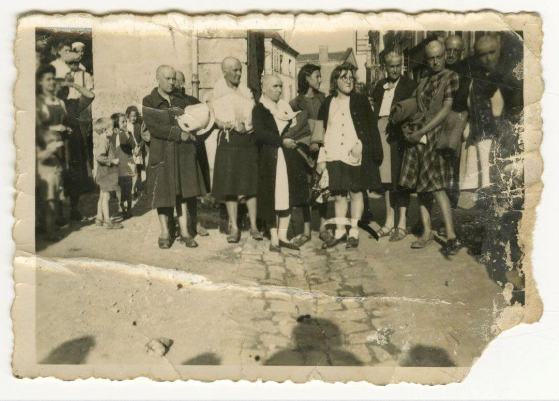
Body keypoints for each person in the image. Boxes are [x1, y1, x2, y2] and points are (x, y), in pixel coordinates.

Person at [398, 40, 460, 254]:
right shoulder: (423, 80)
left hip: (434, 136)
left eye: (439, 57)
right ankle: (426, 232)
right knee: (421, 187)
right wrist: (409, 128)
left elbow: (445, 110)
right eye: (431, 58)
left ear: (444, 56)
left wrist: (421, 132)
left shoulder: (450, 77)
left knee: (436, 186)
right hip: (418, 138)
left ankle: (451, 235)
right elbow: (416, 106)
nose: (435, 61)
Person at [142, 65, 211, 249]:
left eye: (174, 78)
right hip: (162, 152)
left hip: (182, 153)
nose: (172, 82)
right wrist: (178, 134)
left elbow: (193, 118)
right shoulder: (149, 101)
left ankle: (185, 232)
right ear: (158, 78)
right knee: (163, 194)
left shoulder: (181, 99)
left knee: (182, 193)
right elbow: (154, 127)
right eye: (168, 78)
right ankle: (165, 232)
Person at [317, 63, 383, 249]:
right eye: (344, 77)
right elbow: (321, 132)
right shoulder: (328, 103)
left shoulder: (360, 101)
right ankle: (340, 231)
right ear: (335, 81)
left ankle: (353, 230)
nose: (348, 80)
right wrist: (321, 157)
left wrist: (361, 144)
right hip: (333, 153)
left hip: (353, 154)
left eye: (351, 77)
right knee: (338, 194)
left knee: (355, 192)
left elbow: (370, 128)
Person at [253, 75, 311, 252]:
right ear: (264, 88)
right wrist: (281, 141)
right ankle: (274, 238)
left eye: (280, 86)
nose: (279, 90)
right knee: (273, 196)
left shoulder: (285, 107)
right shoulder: (260, 110)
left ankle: (283, 235)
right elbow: (260, 134)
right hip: (271, 158)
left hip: (288, 158)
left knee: (288, 194)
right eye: (275, 86)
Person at [207, 57, 261, 243]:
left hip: (247, 141)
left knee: (250, 184)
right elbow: (213, 118)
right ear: (225, 72)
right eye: (235, 70)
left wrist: (250, 125)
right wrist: (228, 125)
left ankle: (254, 226)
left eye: (240, 70)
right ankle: (234, 227)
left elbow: (254, 115)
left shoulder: (246, 92)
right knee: (230, 185)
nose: (239, 73)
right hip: (229, 141)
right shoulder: (217, 92)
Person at [371, 51, 417, 242]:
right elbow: (376, 110)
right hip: (383, 132)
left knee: (401, 178)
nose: (396, 69)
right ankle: (389, 222)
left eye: (399, 65)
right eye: (392, 66)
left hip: (400, 134)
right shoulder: (379, 86)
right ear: (385, 67)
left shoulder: (410, 85)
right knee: (387, 179)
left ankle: (402, 223)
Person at [289, 64, 331, 246]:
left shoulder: (324, 99)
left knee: (323, 187)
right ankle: (306, 230)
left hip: (323, 148)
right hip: (303, 152)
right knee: (306, 188)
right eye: (316, 76)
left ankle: (323, 227)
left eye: (320, 76)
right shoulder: (295, 103)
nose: (320, 79)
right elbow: (291, 127)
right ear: (306, 78)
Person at [174, 70, 210, 237]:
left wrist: (198, 138)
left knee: (193, 191)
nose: (174, 83)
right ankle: (175, 224)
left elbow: (207, 124)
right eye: (171, 79)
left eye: (177, 80)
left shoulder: (193, 102)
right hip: (176, 151)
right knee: (176, 191)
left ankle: (195, 223)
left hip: (193, 150)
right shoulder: (167, 103)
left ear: (183, 83)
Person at [92, 117, 123, 229]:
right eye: (112, 127)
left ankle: (99, 217)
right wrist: (112, 161)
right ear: (105, 130)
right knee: (106, 197)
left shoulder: (105, 140)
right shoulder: (104, 142)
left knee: (102, 195)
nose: (113, 129)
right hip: (106, 173)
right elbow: (99, 157)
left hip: (104, 173)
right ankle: (107, 221)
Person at [112, 113, 136, 219]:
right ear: (116, 123)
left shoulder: (127, 133)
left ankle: (129, 210)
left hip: (127, 164)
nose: (126, 123)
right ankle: (121, 208)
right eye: (123, 121)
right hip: (118, 165)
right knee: (119, 189)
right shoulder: (113, 134)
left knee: (128, 187)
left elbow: (133, 145)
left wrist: (128, 134)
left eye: (126, 121)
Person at [125, 106, 146, 199]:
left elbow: (143, 139)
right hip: (129, 151)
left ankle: (134, 190)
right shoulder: (126, 126)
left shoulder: (138, 126)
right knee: (130, 171)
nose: (133, 118)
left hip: (137, 151)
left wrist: (139, 148)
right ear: (128, 116)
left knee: (137, 171)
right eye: (131, 116)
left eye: (135, 116)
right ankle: (131, 190)